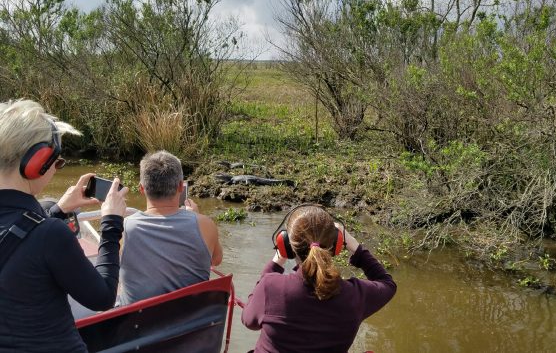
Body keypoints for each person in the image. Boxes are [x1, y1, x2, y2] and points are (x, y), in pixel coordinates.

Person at [0, 99, 128, 353]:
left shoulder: (43, 231)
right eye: (57, 162)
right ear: (39, 162)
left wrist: (58, 211)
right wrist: (111, 223)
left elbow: (20, 247)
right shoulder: (49, 235)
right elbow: (101, 297)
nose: (56, 169)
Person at [241, 204, 397, 353]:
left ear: (287, 245)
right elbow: (387, 284)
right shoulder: (355, 295)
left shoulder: (270, 286)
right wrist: (354, 245)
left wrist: (276, 263)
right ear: (336, 244)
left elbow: (249, 321)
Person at [118, 150, 223, 305]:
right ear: (181, 186)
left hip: (140, 325)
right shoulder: (205, 224)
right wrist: (196, 217)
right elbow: (216, 260)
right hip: (195, 324)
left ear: (141, 189)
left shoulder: (123, 228)